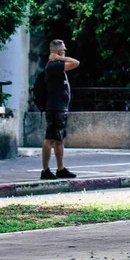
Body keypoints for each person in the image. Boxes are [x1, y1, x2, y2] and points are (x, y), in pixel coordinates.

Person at [40, 39, 80, 180]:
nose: (65, 50)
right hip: (55, 108)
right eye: (63, 49)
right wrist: (59, 58)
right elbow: (76, 63)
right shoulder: (54, 65)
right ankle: (45, 171)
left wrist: (59, 58)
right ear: (58, 51)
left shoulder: (56, 65)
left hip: (59, 108)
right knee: (50, 139)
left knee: (59, 139)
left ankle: (60, 169)